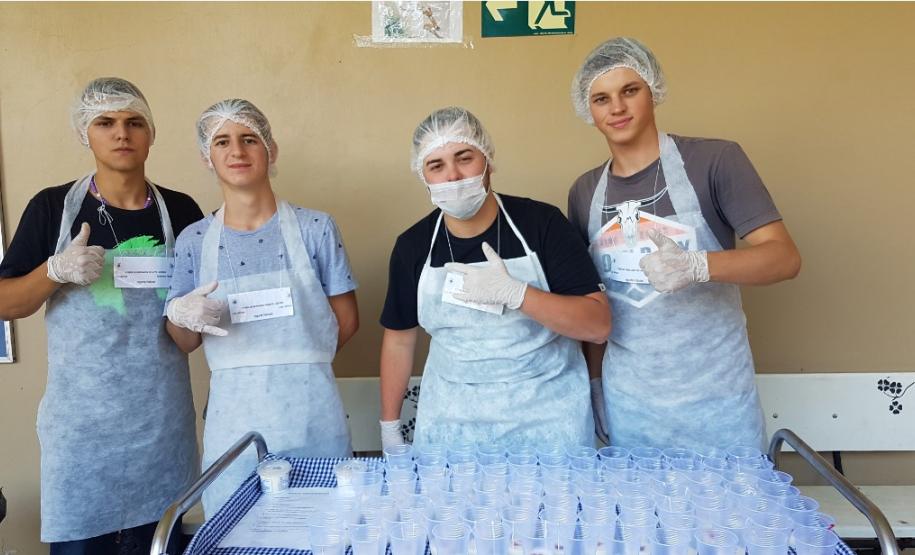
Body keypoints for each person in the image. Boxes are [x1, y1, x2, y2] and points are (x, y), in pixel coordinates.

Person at [567, 37, 802, 451]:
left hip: (718, 401)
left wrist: (699, 266)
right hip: (631, 405)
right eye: (602, 99)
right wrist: (596, 385)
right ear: (589, 111)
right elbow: (591, 303)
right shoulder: (585, 192)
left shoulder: (714, 162)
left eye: (630, 90)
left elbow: (784, 258)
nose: (617, 108)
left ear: (653, 91)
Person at [0, 78, 201, 555]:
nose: (121, 133)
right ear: (84, 134)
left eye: (134, 122)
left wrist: (194, 312)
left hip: (160, 429)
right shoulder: (53, 208)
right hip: (83, 435)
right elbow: (7, 302)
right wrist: (55, 270)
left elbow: (189, 337)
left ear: (151, 134)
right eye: (105, 123)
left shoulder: (183, 212)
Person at [165, 99, 359, 517]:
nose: (237, 151)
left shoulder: (315, 229)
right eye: (222, 141)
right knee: (236, 532)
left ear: (270, 149)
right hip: (234, 425)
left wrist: (297, 363)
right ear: (207, 156)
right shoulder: (194, 241)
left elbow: (346, 321)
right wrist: (181, 315)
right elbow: (183, 342)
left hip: (313, 415)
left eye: (249, 138)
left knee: (324, 529)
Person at [379, 107, 611, 452]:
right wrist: (389, 425)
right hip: (451, 429)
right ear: (422, 174)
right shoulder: (413, 246)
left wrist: (519, 294)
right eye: (436, 165)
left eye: (464, 158)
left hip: (548, 426)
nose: (454, 176)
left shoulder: (542, 225)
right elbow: (399, 342)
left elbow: (598, 325)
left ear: (487, 158)